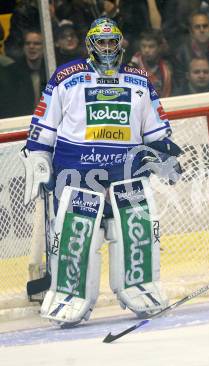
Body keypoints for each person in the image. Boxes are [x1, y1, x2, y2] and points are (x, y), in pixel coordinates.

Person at [19, 17, 182, 327]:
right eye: (101, 42)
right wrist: (40, 159)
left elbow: (155, 130)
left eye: (112, 42)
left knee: (136, 232)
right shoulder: (67, 77)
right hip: (78, 175)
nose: (108, 48)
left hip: (127, 176)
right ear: (90, 45)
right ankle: (70, 295)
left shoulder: (138, 80)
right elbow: (44, 126)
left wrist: (163, 153)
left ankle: (141, 288)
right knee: (78, 236)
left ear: (120, 44)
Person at [0, 29, 47, 118]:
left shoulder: (51, 69)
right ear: (23, 47)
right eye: (27, 43)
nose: (31, 46)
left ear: (45, 47)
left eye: (36, 43)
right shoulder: (11, 73)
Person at [130, 31, 174, 97]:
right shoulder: (132, 66)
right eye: (143, 46)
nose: (146, 50)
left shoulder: (167, 68)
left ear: (159, 48)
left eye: (151, 46)